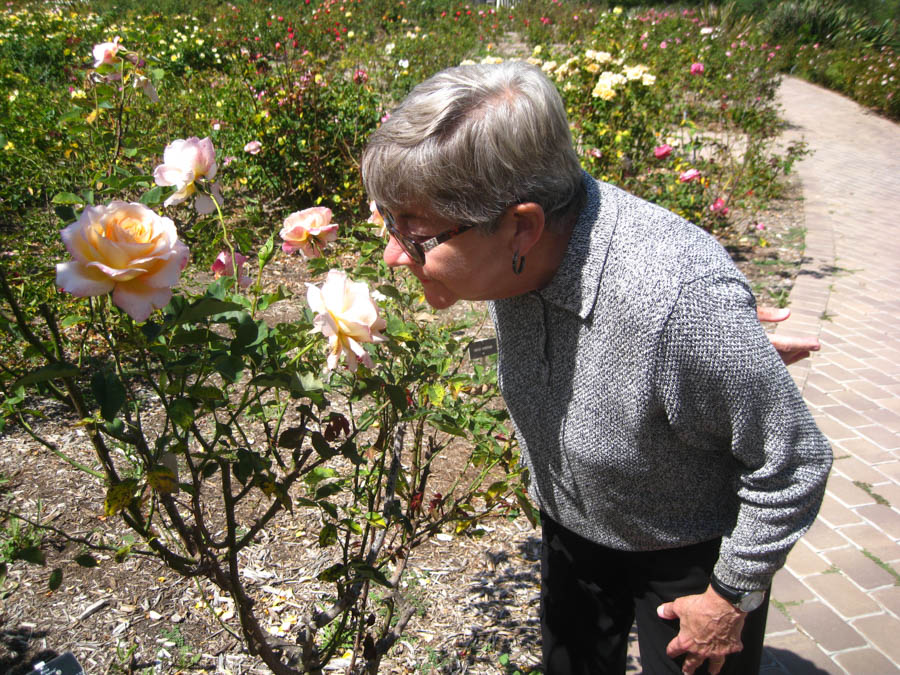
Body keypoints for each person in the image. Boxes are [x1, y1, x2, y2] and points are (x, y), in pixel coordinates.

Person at [361, 61, 831, 675]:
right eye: (389, 220)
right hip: (573, 524)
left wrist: (731, 596)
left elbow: (796, 461)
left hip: (689, 553)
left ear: (523, 228)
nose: (394, 254)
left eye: (417, 236)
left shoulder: (680, 301)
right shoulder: (518, 238)